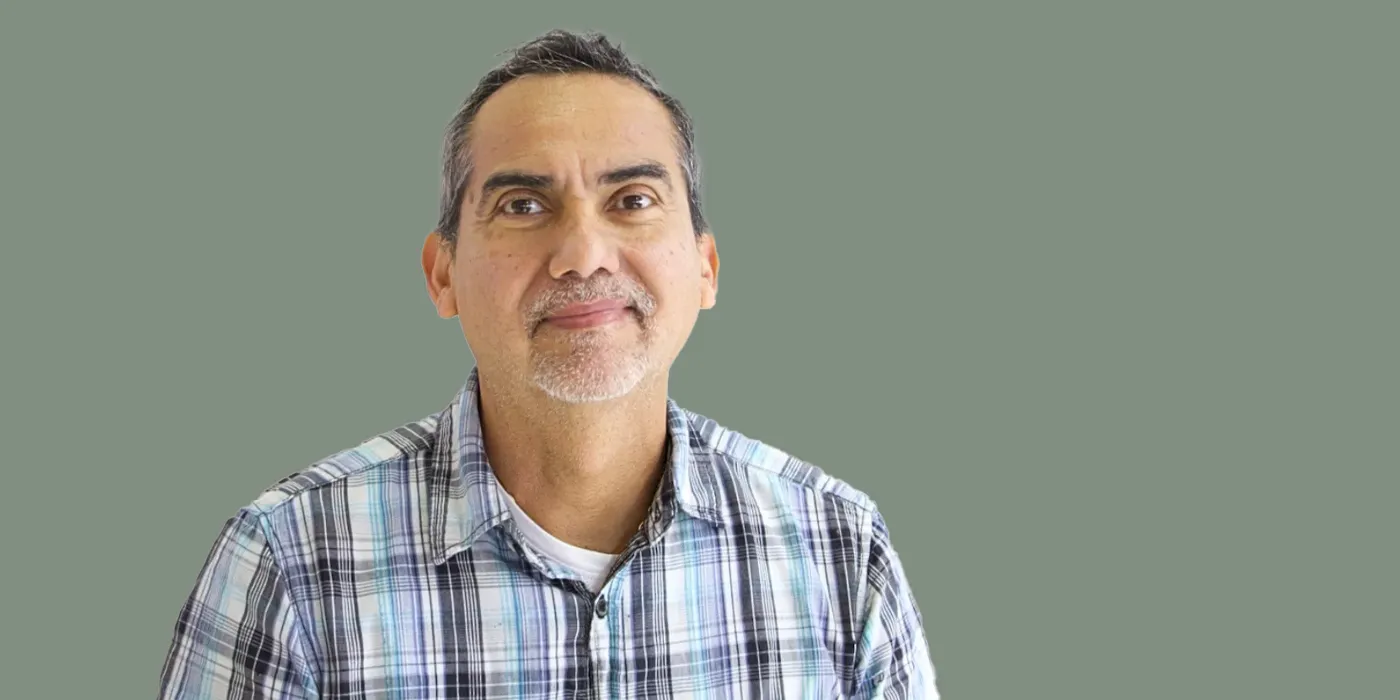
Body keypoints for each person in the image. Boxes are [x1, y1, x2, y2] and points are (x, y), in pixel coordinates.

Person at [158, 29, 939, 699]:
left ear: (705, 267)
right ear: (442, 275)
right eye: (523, 205)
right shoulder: (291, 559)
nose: (583, 254)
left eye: (632, 199)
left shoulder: (839, 547)